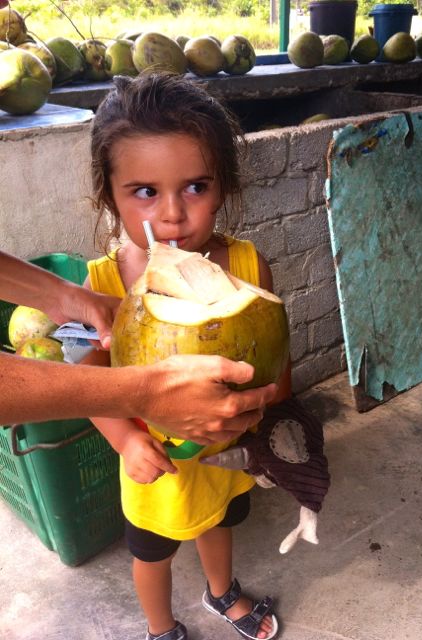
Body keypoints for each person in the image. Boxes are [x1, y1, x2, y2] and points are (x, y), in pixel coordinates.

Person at [83, 73, 291, 640]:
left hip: (226, 453)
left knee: (219, 521)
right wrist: (126, 442)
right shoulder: (102, 286)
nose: (172, 214)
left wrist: (276, 412)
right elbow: (87, 381)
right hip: (157, 465)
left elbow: (277, 362)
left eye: (196, 186)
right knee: (152, 553)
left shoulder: (248, 267)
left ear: (224, 188)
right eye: (145, 192)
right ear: (110, 195)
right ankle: (160, 627)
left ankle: (221, 592)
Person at [0, 250, 277, 441]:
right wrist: (144, 396)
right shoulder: (104, 275)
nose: (172, 213)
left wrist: (60, 296)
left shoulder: (250, 261)